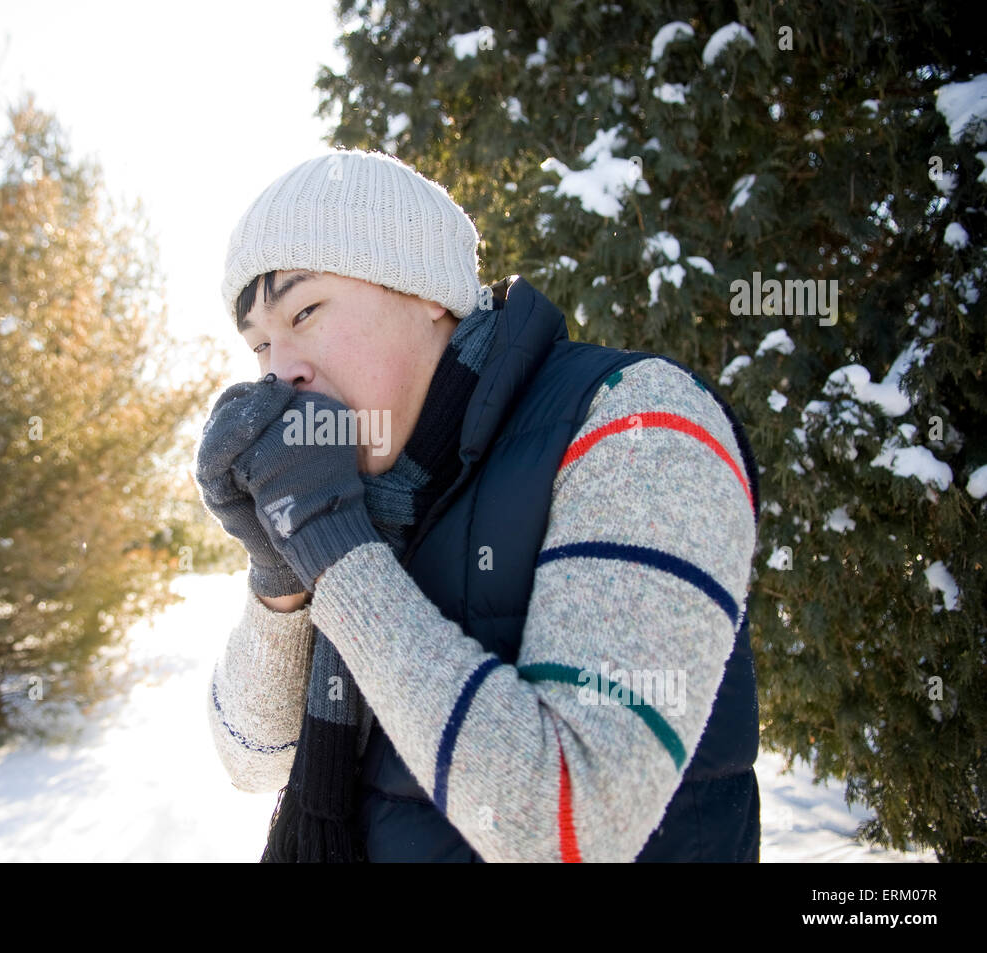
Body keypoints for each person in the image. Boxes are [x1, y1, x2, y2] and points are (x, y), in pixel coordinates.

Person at [198, 148, 761, 862]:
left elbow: (570, 823)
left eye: (305, 311)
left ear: (428, 291)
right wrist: (278, 567)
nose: (281, 372)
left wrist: (333, 549)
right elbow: (252, 758)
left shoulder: (640, 424)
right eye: (259, 346)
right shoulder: (354, 498)